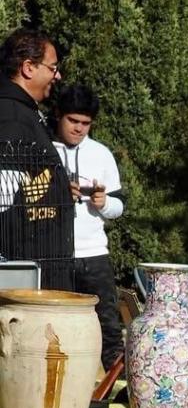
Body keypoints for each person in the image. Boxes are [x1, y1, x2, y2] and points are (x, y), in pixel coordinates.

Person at [52, 84, 124, 371]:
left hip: (94, 255)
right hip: (55, 255)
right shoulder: (43, 149)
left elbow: (119, 206)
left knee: (109, 325)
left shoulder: (101, 153)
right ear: (58, 115)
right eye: (73, 121)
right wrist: (57, 195)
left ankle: (119, 387)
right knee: (56, 329)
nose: (79, 129)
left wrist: (103, 202)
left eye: (85, 123)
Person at [0, 28, 71, 288]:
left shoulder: (23, 111)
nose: (58, 75)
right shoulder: (12, 116)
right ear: (28, 67)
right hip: (24, 281)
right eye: (53, 68)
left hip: (38, 272)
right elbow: (3, 195)